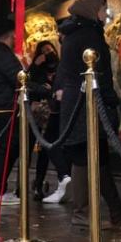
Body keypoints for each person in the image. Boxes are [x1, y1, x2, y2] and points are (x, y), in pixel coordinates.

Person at [57, 0, 121, 226]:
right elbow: (101, 72)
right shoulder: (90, 34)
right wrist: (111, 101)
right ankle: (82, 213)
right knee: (84, 156)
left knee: (97, 155)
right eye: (104, 9)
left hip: (77, 100)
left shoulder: (72, 34)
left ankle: (115, 207)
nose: (106, 14)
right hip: (88, 101)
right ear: (94, 10)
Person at [0, 23, 47, 206]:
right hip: (5, 108)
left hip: (0, 107)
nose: (16, 40)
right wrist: (44, 90)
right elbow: (20, 79)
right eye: (15, 36)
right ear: (10, 35)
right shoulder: (3, 55)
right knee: (8, 149)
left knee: (9, 149)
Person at [29, 40, 72, 204]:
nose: (48, 53)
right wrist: (35, 64)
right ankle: (38, 185)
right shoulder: (37, 69)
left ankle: (64, 178)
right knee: (43, 148)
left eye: (50, 49)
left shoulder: (61, 67)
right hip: (39, 114)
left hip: (57, 112)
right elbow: (26, 83)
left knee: (51, 147)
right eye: (44, 51)